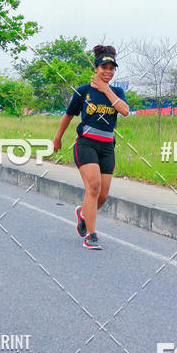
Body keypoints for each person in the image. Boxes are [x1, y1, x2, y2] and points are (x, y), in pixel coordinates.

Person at [53, 45, 129, 249]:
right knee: (93, 186)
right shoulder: (83, 91)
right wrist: (57, 138)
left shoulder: (117, 91)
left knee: (102, 196)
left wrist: (105, 89)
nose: (108, 71)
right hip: (86, 144)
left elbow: (124, 111)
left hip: (107, 147)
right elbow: (68, 115)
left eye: (111, 68)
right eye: (104, 67)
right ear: (96, 68)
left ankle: (83, 214)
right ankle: (91, 235)